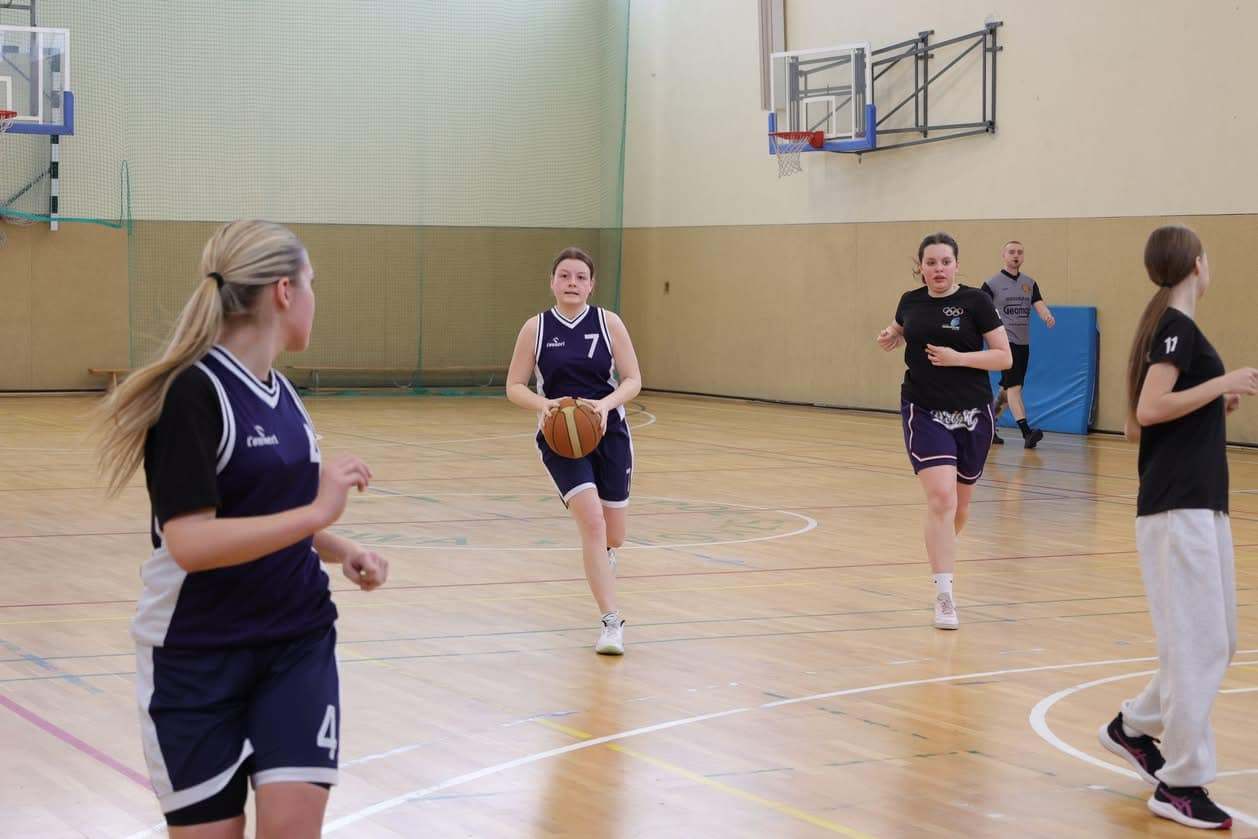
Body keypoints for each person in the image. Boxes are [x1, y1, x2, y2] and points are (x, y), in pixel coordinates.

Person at [96, 220, 389, 837]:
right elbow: (191, 543)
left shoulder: (284, 396)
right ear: (284, 291)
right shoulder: (192, 395)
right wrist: (318, 513)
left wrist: (341, 548)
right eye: (312, 283)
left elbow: (270, 513)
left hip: (296, 644)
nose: (314, 298)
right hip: (196, 657)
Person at [1098, 225, 1256, 831]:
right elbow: (1146, 411)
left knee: (1218, 640)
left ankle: (1134, 726)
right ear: (1195, 264)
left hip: (1197, 502)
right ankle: (1182, 783)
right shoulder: (1176, 328)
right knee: (1197, 645)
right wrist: (1222, 383)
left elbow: (1146, 420)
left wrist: (1211, 401)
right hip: (1176, 507)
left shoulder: (1171, 326)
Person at [505, 247, 643, 654]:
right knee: (593, 523)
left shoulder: (608, 322)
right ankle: (611, 623)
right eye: (564, 276)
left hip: (609, 432)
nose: (572, 283)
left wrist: (604, 405)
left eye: (580, 277)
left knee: (614, 535)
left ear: (591, 285)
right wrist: (543, 404)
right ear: (552, 282)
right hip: (560, 438)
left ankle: (605, 555)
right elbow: (514, 386)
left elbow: (633, 379)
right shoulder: (535, 328)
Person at [877, 232, 1012, 630]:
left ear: (956, 265)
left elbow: (1003, 357)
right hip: (923, 409)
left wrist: (958, 358)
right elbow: (901, 326)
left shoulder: (976, 302)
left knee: (960, 507)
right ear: (920, 267)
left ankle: (941, 547)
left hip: (972, 414)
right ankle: (944, 595)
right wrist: (892, 335)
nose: (938, 269)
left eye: (945, 262)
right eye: (931, 262)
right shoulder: (910, 301)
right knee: (941, 498)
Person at [983, 240, 1055, 447]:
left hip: (1023, 343)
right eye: (1012, 252)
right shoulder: (992, 284)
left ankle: (987, 428)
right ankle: (1027, 433)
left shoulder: (1029, 283)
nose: (1016, 255)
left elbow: (1038, 304)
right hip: (1005, 343)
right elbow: (981, 310)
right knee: (1014, 388)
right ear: (1004, 256)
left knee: (1007, 390)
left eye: (1020, 252)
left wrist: (1047, 315)